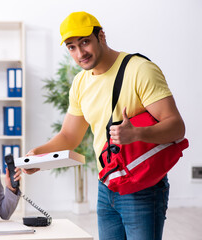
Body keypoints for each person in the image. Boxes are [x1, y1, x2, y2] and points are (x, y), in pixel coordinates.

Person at [24, 11, 185, 240]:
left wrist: (136, 133)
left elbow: (177, 127)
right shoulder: (80, 82)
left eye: (85, 42)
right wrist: (37, 156)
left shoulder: (139, 70)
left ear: (101, 36)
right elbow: (70, 136)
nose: (80, 53)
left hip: (143, 188)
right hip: (107, 185)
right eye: (71, 47)